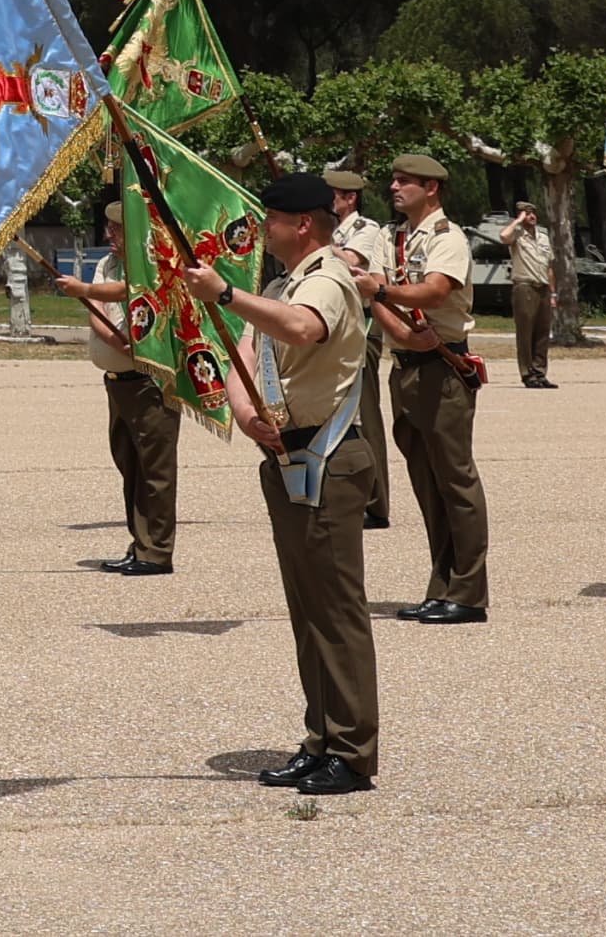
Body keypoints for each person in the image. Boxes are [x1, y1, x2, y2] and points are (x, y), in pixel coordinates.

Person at [197, 168, 377, 795]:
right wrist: (245, 413)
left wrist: (224, 294)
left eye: (271, 219)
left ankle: (352, 751)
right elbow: (250, 351)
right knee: (308, 612)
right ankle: (321, 736)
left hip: (329, 458)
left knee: (337, 612)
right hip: (286, 456)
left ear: (302, 224)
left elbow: (301, 328)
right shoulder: (280, 283)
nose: (263, 229)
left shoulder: (327, 279)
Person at [366, 153, 486, 626]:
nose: (394, 187)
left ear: (431, 188)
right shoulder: (391, 236)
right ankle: (442, 587)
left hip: (443, 367)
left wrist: (380, 294)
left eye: (405, 181)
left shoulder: (447, 237)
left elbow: (435, 291)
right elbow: (375, 290)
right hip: (406, 365)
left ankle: (470, 592)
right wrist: (399, 331)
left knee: (455, 481)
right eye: (394, 180)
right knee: (427, 485)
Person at [49, 231, 178, 573]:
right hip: (118, 381)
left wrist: (83, 289)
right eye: (108, 227)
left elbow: (131, 289)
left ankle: (157, 551)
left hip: (149, 383)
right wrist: (114, 340)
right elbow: (96, 307)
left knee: (155, 469)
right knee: (130, 465)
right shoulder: (108, 263)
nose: (109, 234)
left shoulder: (152, 260)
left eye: (118, 228)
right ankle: (140, 544)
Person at [327, 168, 394, 529]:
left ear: (349, 198)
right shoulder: (330, 229)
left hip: (361, 326)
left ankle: (377, 502)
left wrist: (319, 240)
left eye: (331, 194)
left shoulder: (365, 229)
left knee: (365, 414)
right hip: (333, 326)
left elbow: (353, 262)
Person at [493, 198, 560, 389]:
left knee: (542, 332)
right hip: (525, 287)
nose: (531, 216)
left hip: (543, 287)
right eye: (527, 213)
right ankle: (527, 373)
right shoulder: (517, 235)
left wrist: (553, 293)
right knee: (525, 333)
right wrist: (517, 221)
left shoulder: (543, 237)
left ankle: (540, 372)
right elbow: (503, 236)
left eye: (533, 213)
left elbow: (549, 267)